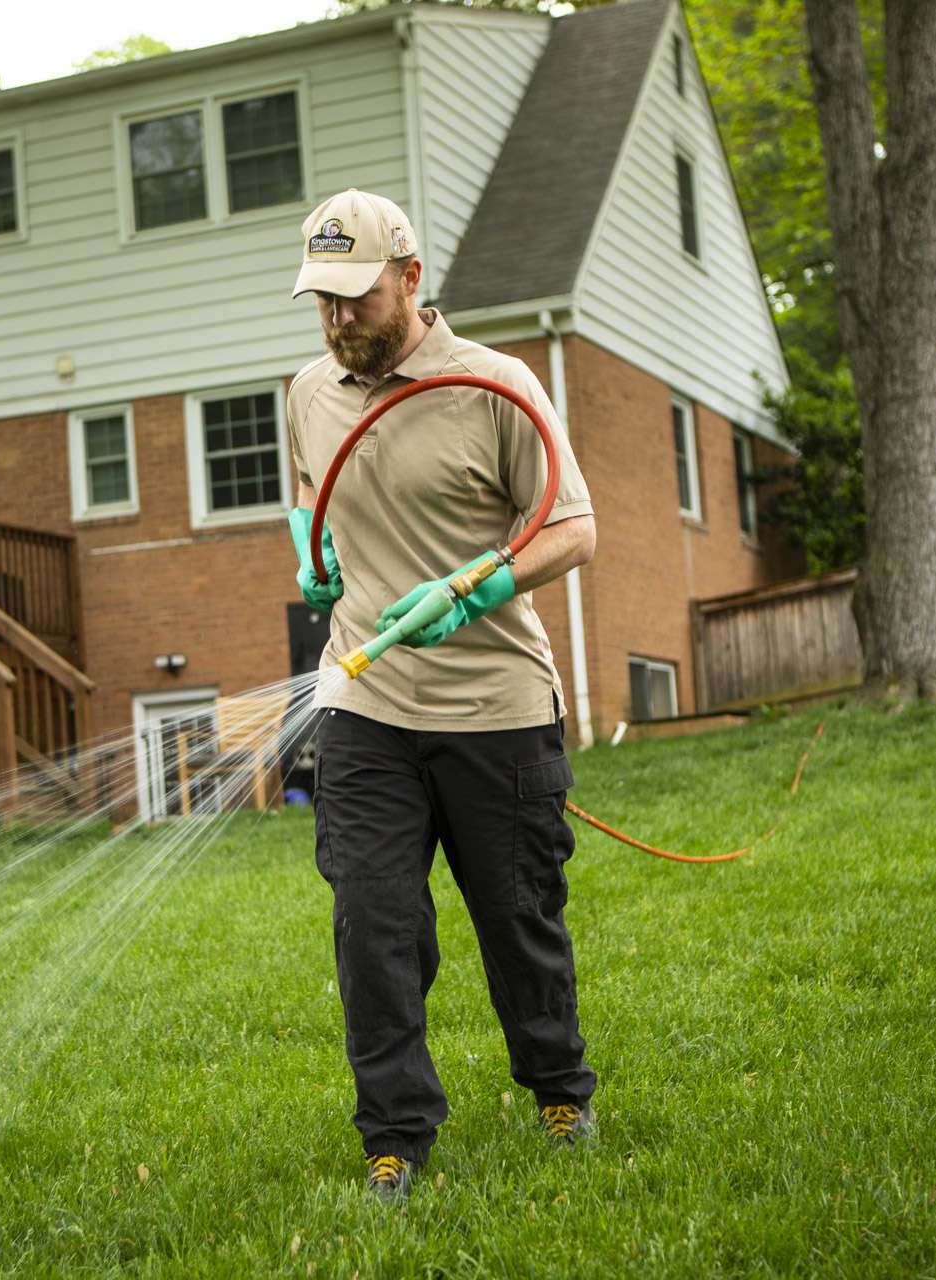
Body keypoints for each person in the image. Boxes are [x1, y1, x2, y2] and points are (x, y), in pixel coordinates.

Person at [284, 189, 599, 1202]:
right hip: (364, 701)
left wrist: (479, 584)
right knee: (372, 924)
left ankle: (558, 1086)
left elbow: (575, 527)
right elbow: (309, 486)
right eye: (322, 303)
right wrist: (310, 541)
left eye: (358, 299)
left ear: (410, 279)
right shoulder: (307, 390)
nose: (339, 322)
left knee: (520, 921)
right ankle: (395, 1136)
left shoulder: (494, 385)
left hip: (495, 706)